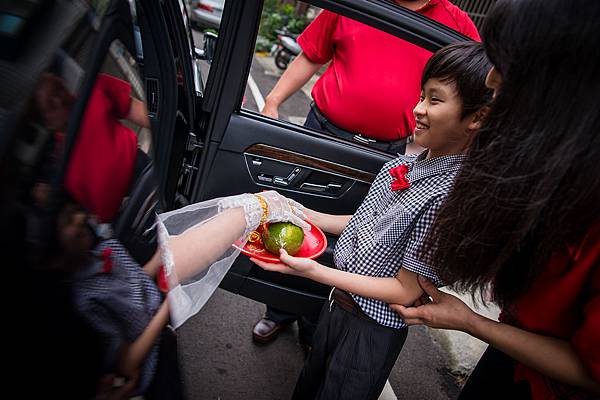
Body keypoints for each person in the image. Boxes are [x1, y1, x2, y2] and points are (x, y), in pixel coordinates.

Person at [252, 42, 492, 400]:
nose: (418, 109)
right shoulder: (404, 166)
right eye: (420, 96)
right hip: (338, 303)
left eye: (434, 100)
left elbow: (407, 290)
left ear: (477, 118)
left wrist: (314, 271)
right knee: (309, 385)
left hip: (371, 328)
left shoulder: (446, 198)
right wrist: (305, 213)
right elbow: (368, 222)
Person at [388, 1, 600, 399]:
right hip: (511, 351)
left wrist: (471, 322)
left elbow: (590, 370)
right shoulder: (550, 167)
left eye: (510, 66)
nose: (490, 80)